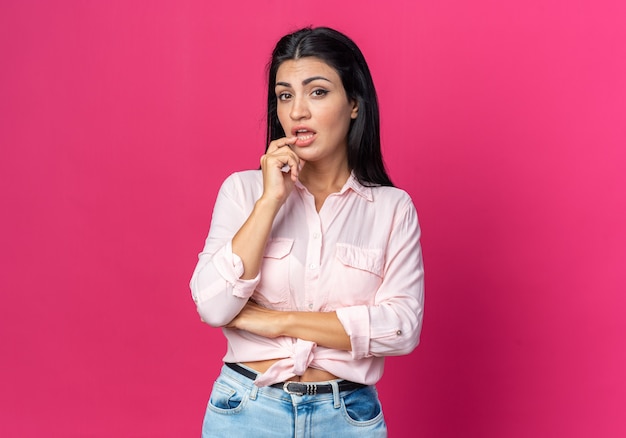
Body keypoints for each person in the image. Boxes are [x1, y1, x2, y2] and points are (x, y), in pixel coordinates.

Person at [190, 26, 424, 437]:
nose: (297, 111)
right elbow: (213, 307)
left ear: (353, 104)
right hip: (247, 413)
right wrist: (269, 202)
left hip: (348, 417)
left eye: (317, 92)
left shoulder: (392, 209)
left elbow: (402, 328)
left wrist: (274, 321)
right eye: (285, 95)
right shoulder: (243, 192)